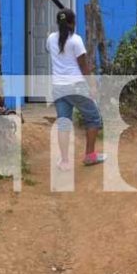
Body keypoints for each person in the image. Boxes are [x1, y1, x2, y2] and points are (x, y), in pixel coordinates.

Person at [47, 9, 105, 171]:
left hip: (58, 87)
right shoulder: (76, 40)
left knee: (64, 123)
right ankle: (90, 156)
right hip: (75, 86)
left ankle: (65, 161)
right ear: (72, 23)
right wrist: (92, 86)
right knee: (93, 119)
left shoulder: (51, 38)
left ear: (58, 23)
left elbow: (52, 51)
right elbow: (84, 67)